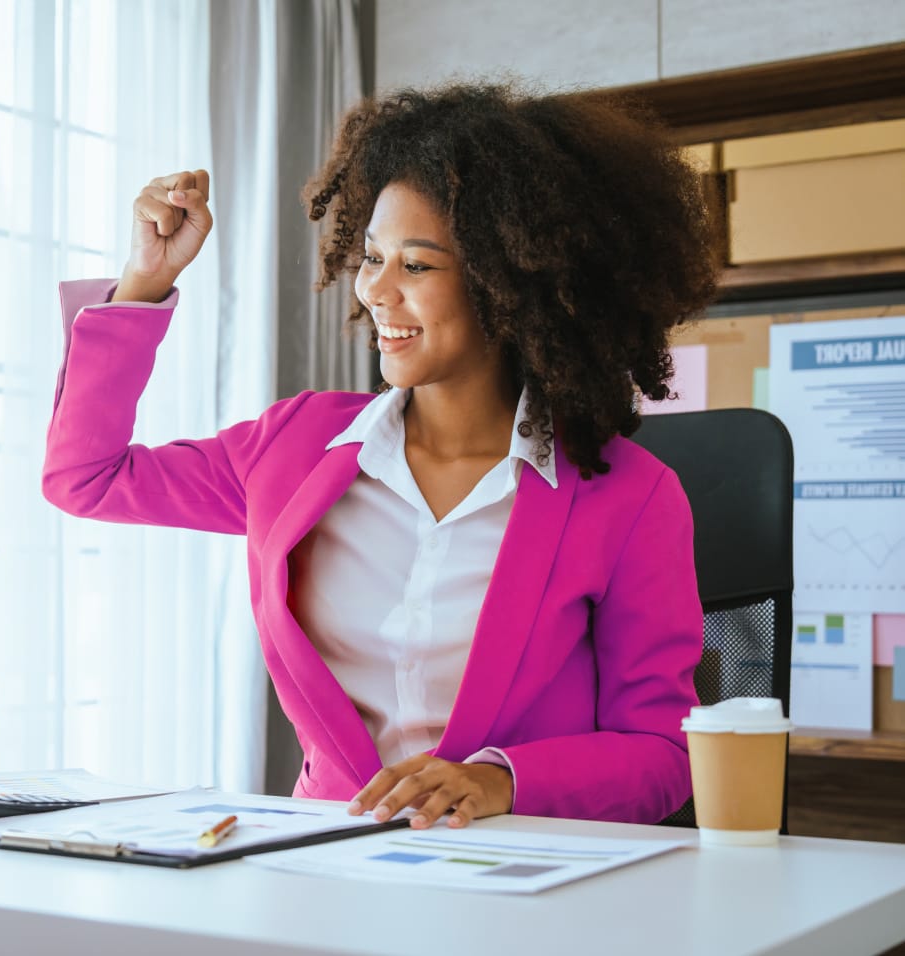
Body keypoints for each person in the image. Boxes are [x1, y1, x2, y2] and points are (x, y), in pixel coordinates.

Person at [42, 84, 718, 830]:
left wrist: (501, 782)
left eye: (418, 267)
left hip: (521, 877)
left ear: (510, 285)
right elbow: (87, 477)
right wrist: (145, 281)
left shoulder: (628, 497)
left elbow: (662, 752)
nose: (375, 292)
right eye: (370, 258)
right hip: (327, 867)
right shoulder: (297, 448)